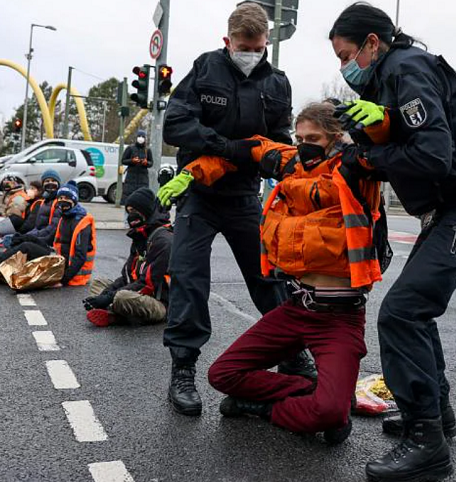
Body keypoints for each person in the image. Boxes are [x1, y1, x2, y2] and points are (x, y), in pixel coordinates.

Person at [329, 2, 456, 481]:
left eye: (346, 54)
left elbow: (433, 156)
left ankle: (426, 441)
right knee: (416, 309)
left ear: (374, 43)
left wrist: (369, 158)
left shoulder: (406, 69)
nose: (344, 66)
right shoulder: (391, 74)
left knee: (402, 313)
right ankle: (438, 416)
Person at [160, 102, 382, 443]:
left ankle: (268, 408)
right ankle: (310, 389)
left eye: (314, 137)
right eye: (300, 136)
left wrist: (382, 123)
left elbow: (391, 154)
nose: (305, 143)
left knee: (332, 415)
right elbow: (241, 151)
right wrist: (191, 173)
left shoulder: (355, 168)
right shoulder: (291, 161)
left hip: (340, 317)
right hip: (296, 309)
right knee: (222, 375)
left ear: (336, 137)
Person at [161, 2, 317, 417]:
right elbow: (175, 125)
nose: (250, 53)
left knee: (269, 276)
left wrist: (285, 166)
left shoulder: (277, 83)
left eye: (257, 46)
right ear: (227, 42)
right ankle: (183, 369)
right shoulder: (206, 68)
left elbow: (279, 137)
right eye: (243, 46)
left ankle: (293, 354)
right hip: (199, 193)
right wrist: (223, 148)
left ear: (267, 42)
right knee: (189, 278)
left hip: (245, 196)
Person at [0, 181, 96, 287]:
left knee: (26, 247)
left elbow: (80, 257)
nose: (63, 202)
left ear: (75, 200)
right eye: (61, 198)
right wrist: (23, 237)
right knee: (23, 244)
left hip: (71, 274)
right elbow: (48, 240)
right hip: (58, 260)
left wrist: (62, 280)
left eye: (67, 199)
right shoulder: (66, 217)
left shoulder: (81, 222)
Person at [83, 188, 172, 327]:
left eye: (135, 211)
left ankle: (115, 315)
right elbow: (127, 276)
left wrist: (109, 298)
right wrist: (105, 294)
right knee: (99, 283)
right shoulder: (140, 236)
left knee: (121, 297)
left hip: (159, 302)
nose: (131, 216)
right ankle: (116, 312)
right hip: (138, 294)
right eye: (129, 211)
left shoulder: (164, 241)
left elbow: (147, 284)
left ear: (146, 211)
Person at [120, 129, 153, 205]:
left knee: (141, 199)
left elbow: (151, 163)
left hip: (143, 178)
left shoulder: (147, 150)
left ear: (145, 138)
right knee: (129, 199)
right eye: (139, 136)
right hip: (131, 177)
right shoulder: (130, 148)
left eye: (142, 136)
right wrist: (132, 161)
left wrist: (146, 163)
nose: (140, 138)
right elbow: (123, 160)